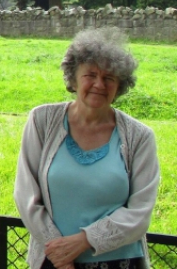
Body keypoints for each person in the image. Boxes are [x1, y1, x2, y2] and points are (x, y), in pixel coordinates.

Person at [14, 28, 160, 269]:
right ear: (73, 78)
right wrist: (60, 252)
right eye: (90, 75)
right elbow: (26, 194)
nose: (99, 84)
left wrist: (84, 241)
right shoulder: (42, 120)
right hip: (56, 260)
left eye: (109, 77)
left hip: (119, 262)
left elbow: (140, 212)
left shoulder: (140, 137)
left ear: (120, 85)